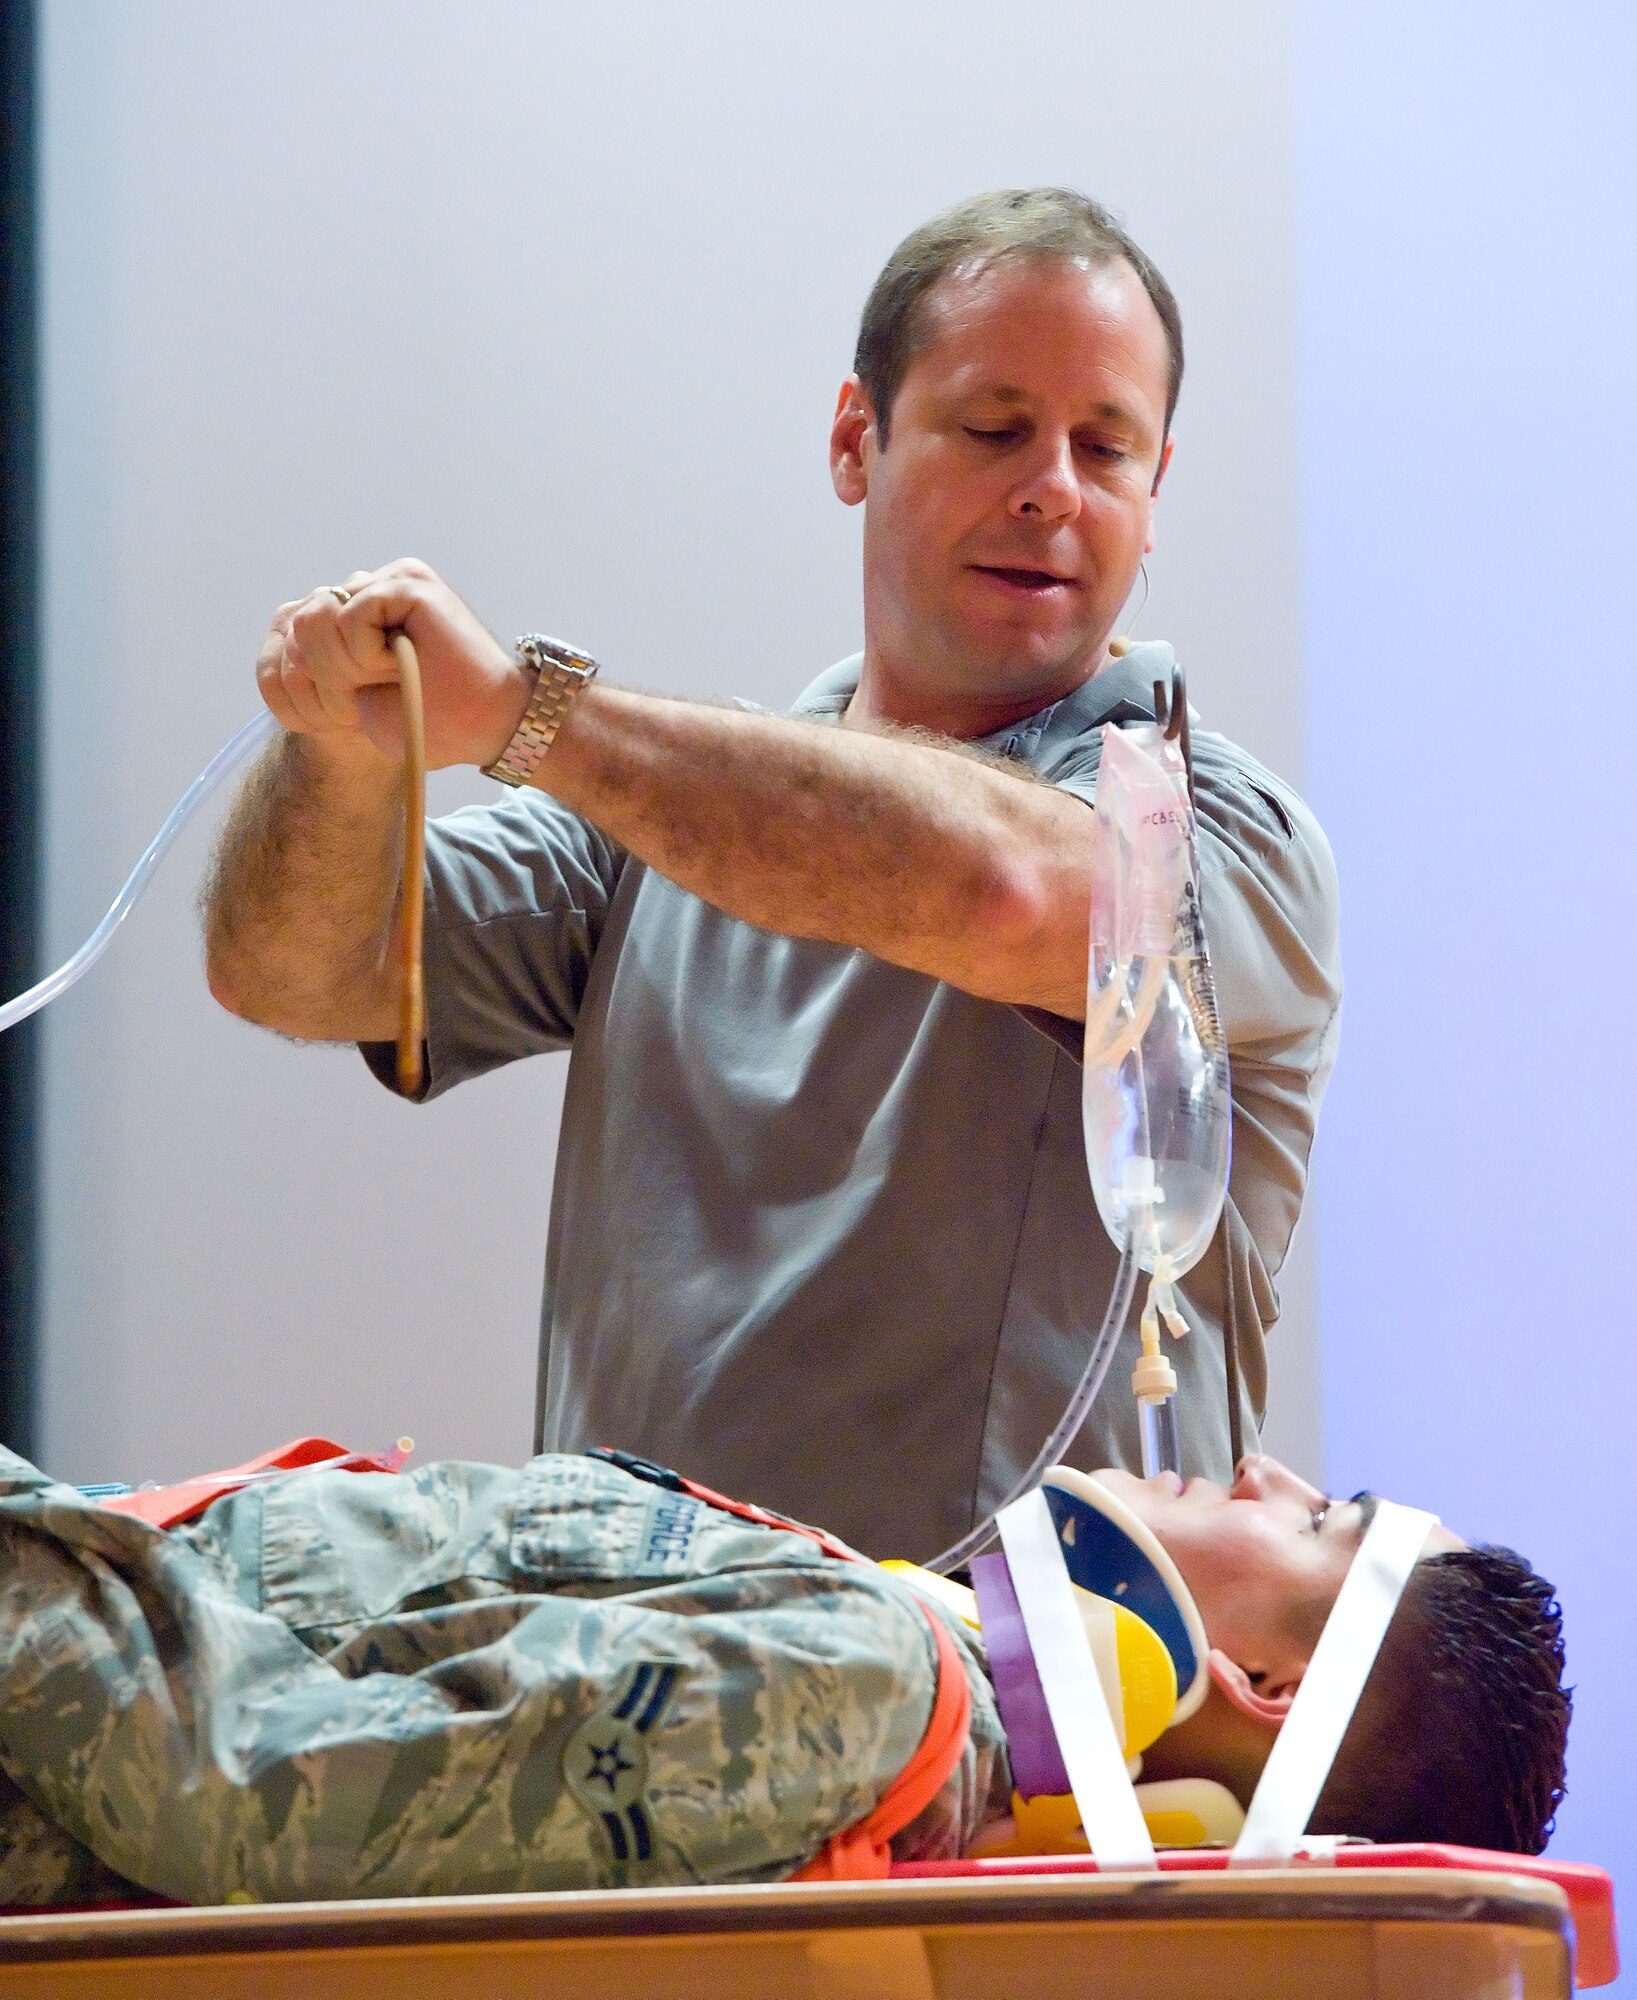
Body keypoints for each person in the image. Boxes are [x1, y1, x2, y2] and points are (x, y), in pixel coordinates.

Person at [202, 188, 1343, 1563]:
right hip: (629, 1705)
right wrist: (334, 747)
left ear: (1152, 498)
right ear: (853, 439)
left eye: (1106, 449)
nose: (1051, 484)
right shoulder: (658, 817)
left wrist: (522, 712)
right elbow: (293, 969)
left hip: (1008, 1745)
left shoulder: (1216, 825)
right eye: (992, 428)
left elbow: (1001, 892)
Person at [0, 1447, 1567, 1910]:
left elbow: (246, 1790)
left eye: (1311, 1517)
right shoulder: (888, 1659)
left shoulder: (866, 1688)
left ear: (1257, 1684)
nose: (1257, 1464)